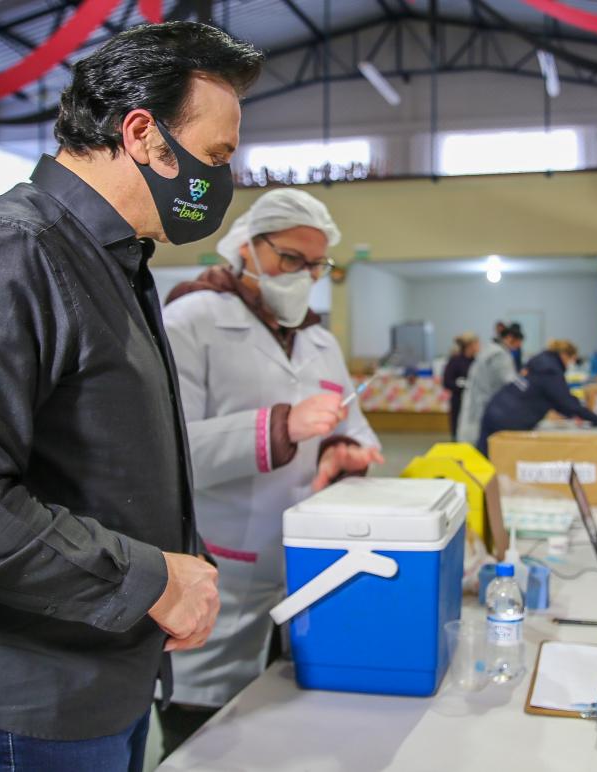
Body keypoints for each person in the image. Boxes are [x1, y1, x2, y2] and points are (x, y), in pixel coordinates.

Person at [0, 22, 262, 770]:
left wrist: (183, 562)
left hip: (101, 682)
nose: (221, 180)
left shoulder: (110, 263)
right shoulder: (11, 252)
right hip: (21, 709)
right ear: (143, 135)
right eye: (215, 157)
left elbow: (98, 461)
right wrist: (151, 579)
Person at [158, 188, 383, 753]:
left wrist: (344, 451)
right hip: (221, 564)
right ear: (247, 248)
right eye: (290, 259)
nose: (304, 275)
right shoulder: (190, 321)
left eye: (316, 265)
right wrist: (280, 426)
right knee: (206, 736)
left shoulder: (320, 340)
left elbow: (357, 430)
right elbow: (168, 453)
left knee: (290, 721)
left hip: (306, 568)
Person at [476, 340, 597, 454]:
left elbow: (557, 400)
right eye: (572, 359)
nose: (571, 363)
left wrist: (573, 413)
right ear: (564, 355)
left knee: (483, 461)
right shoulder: (551, 371)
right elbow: (566, 402)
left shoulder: (540, 363)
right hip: (507, 420)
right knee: (498, 462)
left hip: (495, 410)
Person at [457, 323, 524, 447]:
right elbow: (510, 381)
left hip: (477, 403)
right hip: (484, 405)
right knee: (480, 443)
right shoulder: (499, 355)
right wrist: (526, 385)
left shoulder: (488, 351)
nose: (519, 346)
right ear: (510, 338)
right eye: (519, 343)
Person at [442, 332, 480, 440]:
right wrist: (461, 385)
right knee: (457, 432)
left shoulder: (478, 362)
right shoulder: (455, 361)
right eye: (477, 343)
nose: (479, 346)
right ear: (470, 345)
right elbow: (446, 382)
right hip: (458, 401)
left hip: (474, 402)